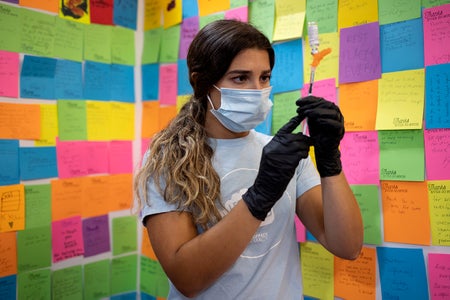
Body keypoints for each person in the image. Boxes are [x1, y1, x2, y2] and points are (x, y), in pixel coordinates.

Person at [134, 19, 363, 299]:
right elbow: (188, 278)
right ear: (201, 82)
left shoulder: (281, 154)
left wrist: (330, 161)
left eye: (264, 77)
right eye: (240, 78)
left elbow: (348, 246)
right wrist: (260, 196)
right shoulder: (170, 159)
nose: (257, 90)